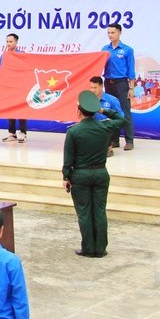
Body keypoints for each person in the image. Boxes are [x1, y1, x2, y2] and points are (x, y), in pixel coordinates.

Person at [63, 90, 126, 258]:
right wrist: (102, 110)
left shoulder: (73, 131)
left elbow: (68, 158)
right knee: (99, 211)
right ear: (94, 110)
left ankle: (88, 248)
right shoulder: (105, 127)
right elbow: (122, 119)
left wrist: (66, 176)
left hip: (81, 175)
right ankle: (101, 248)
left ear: (79, 111)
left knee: (84, 212)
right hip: (101, 173)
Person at [101, 22, 136, 151]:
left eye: (113, 32)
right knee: (111, 112)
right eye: (108, 33)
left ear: (119, 32)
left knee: (125, 112)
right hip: (108, 83)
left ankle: (129, 141)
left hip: (122, 84)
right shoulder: (105, 49)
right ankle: (114, 140)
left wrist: (131, 88)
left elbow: (131, 70)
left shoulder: (127, 50)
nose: (110, 35)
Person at [0, 33, 28, 142]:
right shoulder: (4, 56)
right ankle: (12, 133)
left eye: (11, 41)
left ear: (16, 42)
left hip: (20, 87)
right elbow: (1, 71)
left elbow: (26, 70)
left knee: (21, 110)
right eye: (7, 41)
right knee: (10, 110)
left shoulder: (22, 55)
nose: (8, 44)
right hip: (8, 87)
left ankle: (23, 133)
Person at [89, 76, 126, 157]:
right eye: (91, 87)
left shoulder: (112, 100)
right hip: (94, 126)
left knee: (105, 127)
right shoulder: (88, 100)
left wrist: (109, 121)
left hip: (107, 126)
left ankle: (108, 148)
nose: (92, 90)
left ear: (102, 86)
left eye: (95, 88)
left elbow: (121, 117)